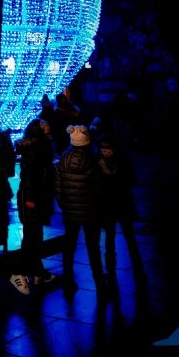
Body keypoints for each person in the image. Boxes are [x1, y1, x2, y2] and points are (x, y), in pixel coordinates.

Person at [55, 124, 107, 298]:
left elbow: (59, 187)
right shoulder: (92, 162)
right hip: (91, 213)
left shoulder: (63, 159)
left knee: (69, 247)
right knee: (93, 249)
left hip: (70, 212)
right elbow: (99, 190)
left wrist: (65, 205)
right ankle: (100, 284)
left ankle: (68, 280)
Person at [10, 119, 58, 295]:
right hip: (32, 198)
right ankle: (18, 272)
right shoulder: (36, 149)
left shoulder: (40, 146)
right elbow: (32, 176)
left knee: (35, 235)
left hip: (36, 197)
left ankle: (38, 272)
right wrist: (31, 199)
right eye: (43, 123)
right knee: (31, 236)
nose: (47, 124)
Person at [97, 134, 146, 285]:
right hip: (110, 206)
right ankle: (113, 269)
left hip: (120, 205)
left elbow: (131, 179)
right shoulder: (100, 162)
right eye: (103, 148)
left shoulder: (119, 162)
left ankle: (135, 268)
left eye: (108, 148)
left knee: (127, 238)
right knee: (112, 239)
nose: (105, 151)